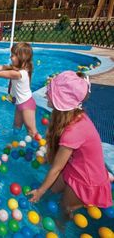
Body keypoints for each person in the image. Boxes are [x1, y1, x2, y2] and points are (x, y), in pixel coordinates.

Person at [28, 71, 112, 216]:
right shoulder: (68, 116)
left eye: (50, 92)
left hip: (86, 180)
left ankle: (62, 223)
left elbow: (56, 168)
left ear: (61, 100)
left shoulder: (74, 131)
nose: (45, 94)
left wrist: (40, 192)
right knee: (52, 190)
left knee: (64, 208)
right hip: (74, 167)